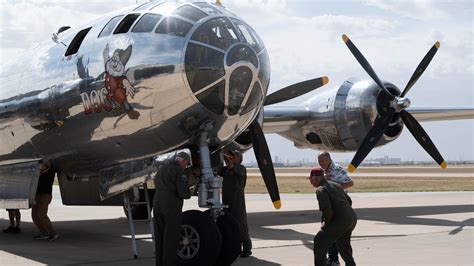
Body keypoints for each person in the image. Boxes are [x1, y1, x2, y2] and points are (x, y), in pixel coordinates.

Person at [308, 167, 357, 266]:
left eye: (311, 179)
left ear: (316, 178)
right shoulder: (336, 185)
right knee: (343, 243)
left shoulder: (321, 190)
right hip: (352, 218)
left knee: (319, 241)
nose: (310, 182)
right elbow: (349, 200)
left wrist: (326, 224)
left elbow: (327, 209)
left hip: (341, 220)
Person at [153, 152, 191, 266]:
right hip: (171, 204)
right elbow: (184, 193)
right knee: (171, 237)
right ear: (183, 161)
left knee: (159, 236)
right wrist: (189, 191)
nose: (186, 166)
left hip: (157, 201)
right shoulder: (179, 171)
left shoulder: (162, 169)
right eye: (187, 163)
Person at [317, 151, 354, 265]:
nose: (321, 163)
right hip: (330, 204)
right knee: (329, 234)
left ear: (329, 159)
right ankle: (333, 259)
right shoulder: (324, 172)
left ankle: (335, 260)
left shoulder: (337, 169)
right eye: (319, 161)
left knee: (333, 234)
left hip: (338, 206)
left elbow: (350, 183)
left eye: (322, 160)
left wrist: (334, 188)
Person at [220, 150, 252, 258]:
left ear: (239, 159)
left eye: (234, 156)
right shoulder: (225, 170)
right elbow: (218, 170)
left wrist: (227, 158)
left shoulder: (241, 168)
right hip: (226, 201)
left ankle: (247, 248)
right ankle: (236, 248)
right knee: (229, 226)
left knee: (241, 225)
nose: (232, 157)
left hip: (237, 201)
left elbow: (231, 167)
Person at [32, 162, 59, 241]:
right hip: (37, 195)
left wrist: (48, 165)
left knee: (42, 215)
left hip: (45, 195)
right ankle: (44, 233)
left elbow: (52, 167)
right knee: (34, 216)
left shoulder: (50, 172)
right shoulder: (38, 173)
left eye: (44, 166)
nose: (42, 167)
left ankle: (53, 233)